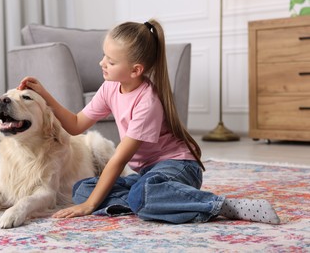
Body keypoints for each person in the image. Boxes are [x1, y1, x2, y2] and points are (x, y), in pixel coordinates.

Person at [18, 19, 280, 225]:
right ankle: (154, 202)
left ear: (136, 70)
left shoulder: (147, 102)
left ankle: (220, 205)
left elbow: (118, 161)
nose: (102, 63)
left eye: (110, 60)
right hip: (149, 176)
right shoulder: (110, 87)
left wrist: (89, 208)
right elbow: (75, 124)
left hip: (179, 168)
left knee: (118, 197)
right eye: (103, 56)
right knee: (82, 190)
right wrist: (44, 95)